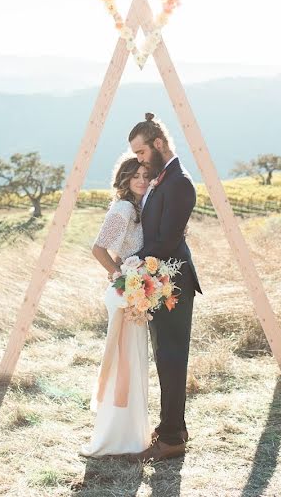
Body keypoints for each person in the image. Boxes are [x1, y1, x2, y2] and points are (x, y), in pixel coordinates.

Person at [128, 112, 202, 462]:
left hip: (172, 285)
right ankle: (174, 426)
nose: (138, 160)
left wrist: (130, 265)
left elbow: (167, 241)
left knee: (172, 359)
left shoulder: (180, 182)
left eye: (141, 152)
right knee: (164, 356)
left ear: (158, 144)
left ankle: (172, 438)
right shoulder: (163, 178)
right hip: (158, 280)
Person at [79, 154, 152, 457]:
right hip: (124, 294)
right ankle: (117, 437)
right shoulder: (123, 208)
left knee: (134, 362)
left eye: (146, 175)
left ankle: (133, 433)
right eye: (135, 174)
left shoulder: (141, 208)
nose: (141, 180)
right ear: (124, 178)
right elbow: (98, 249)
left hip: (136, 294)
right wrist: (120, 276)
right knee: (125, 363)